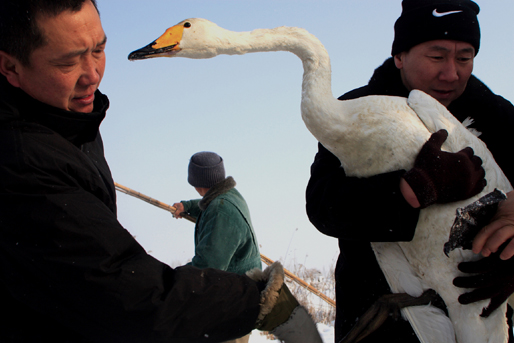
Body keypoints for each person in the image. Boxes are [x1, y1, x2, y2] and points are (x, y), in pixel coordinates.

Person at [0, 1, 321, 342]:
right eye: (68, 61)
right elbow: (123, 294)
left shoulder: (68, 120)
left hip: (222, 308)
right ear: (10, 66)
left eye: (99, 49)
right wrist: (251, 299)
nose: (93, 74)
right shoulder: (20, 160)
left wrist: (248, 297)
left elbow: (207, 261)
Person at [305, 0, 514, 342]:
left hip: (482, 321)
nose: (452, 73)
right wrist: (412, 189)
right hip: (378, 323)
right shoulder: (354, 114)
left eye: (464, 57)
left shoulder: (499, 118)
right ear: (400, 56)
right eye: (436, 56)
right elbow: (323, 207)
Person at [172, 152, 262, 343]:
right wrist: (186, 206)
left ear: (196, 182)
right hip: (239, 295)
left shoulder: (221, 210)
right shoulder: (228, 195)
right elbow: (207, 205)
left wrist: (175, 278)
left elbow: (208, 266)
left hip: (232, 305)